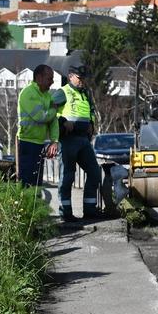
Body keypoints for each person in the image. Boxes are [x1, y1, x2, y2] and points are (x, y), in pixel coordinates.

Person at [53, 65, 103, 221]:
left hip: (83, 139)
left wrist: (92, 125)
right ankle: (65, 213)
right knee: (67, 176)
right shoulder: (63, 92)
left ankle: (89, 209)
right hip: (68, 139)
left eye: (84, 79)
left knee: (94, 172)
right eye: (80, 79)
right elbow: (48, 110)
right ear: (70, 77)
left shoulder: (85, 94)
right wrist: (62, 121)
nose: (82, 82)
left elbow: (90, 112)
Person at [16, 65, 59, 187]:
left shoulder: (47, 95)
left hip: (39, 143)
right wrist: (53, 110)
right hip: (26, 143)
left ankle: (35, 205)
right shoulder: (28, 93)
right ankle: (25, 206)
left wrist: (54, 141)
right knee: (27, 183)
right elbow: (40, 117)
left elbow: (53, 121)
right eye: (49, 79)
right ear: (39, 78)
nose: (52, 82)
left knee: (36, 183)